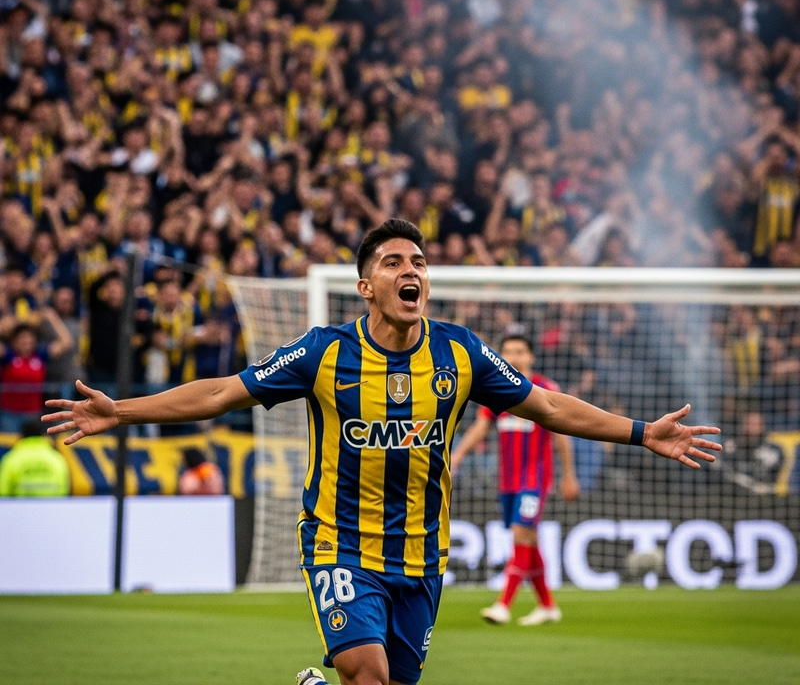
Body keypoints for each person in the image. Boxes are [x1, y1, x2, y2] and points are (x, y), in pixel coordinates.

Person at [42, 219, 722, 685]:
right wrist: (121, 410)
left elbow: (546, 405)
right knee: (365, 673)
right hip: (340, 543)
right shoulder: (322, 352)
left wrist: (640, 431)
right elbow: (223, 391)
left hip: (421, 556)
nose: (410, 270)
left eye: (418, 263)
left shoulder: (460, 352)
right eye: (393, 262)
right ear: (366, 286)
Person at [450, 334, 580, 626]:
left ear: (531, 356)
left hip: (534, 478)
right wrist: (457, 456)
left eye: (520, 351)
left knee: (521, 534)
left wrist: (569, 475)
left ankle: (503, 604)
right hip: (507, 480)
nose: (514, 356)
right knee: (528, 540)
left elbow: (561, 436)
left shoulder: (545, 389)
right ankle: (547, 605)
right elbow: (481, 428)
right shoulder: (497, 390)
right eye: (508, 351)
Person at [0, 418, 70, 497]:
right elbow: (64, 489)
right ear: (43, 435)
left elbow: (3, 492)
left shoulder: (11, 459)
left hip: (21, 507)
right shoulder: (56, 458)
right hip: (51, 506)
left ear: (21, 436)